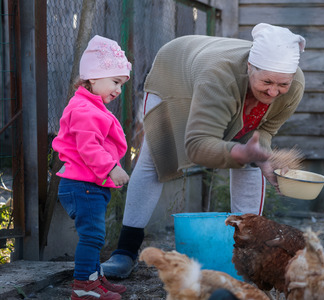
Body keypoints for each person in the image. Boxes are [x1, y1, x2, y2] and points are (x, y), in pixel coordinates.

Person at [102, 23, 306, 278]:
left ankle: (247, 252)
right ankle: (125, 252)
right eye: (266, 81)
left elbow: (264, 132)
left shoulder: (294, 86)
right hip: (177, 73)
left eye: (282, 84)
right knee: (156, 159)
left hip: (217, 78)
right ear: (249, 67)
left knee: (252, 160)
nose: (274, 91)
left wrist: (264, 158)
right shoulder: (219, 77)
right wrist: (242, 153)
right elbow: (198, 146)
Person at [52, 35, 132, 300]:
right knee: (93, 236)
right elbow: (89, 148)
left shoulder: (91, 106)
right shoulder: (84, 110)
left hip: (88, 186)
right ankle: (83, 287)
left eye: (121, 83)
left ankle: (94, 279)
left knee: (94, 235)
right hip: (82, 186)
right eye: (115, 81)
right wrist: (112, 169)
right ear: (94, 78)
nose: (119, 89)